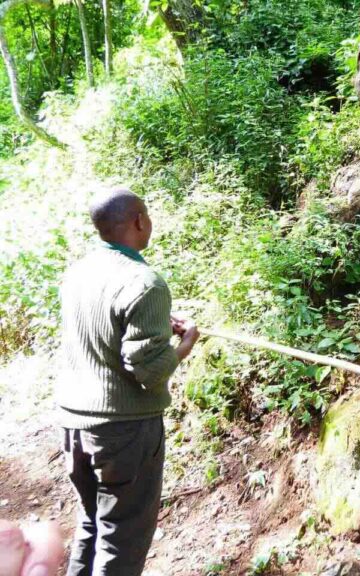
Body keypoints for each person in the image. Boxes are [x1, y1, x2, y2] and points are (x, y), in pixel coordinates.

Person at [57, 188, 200, 576]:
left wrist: (155, 328)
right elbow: (149, 371)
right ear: (140, 221)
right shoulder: (144, 281)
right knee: (123, 537)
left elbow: (105, 333)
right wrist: (185, 344)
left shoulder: (78, 272)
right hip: (123, 430)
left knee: (92, 521)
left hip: (73, 424)